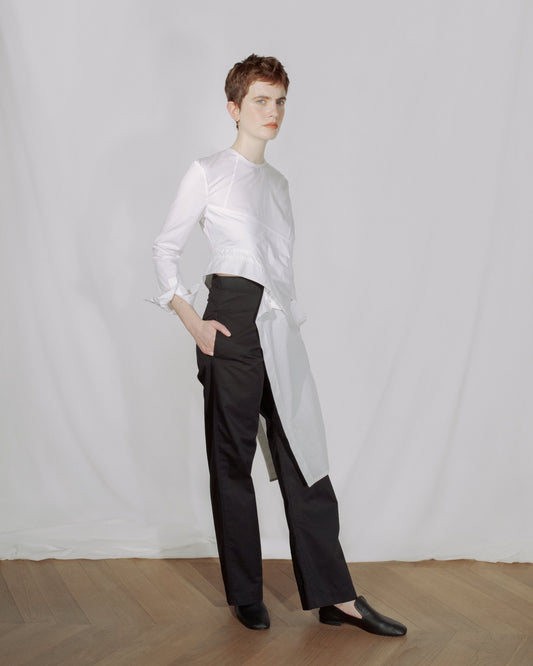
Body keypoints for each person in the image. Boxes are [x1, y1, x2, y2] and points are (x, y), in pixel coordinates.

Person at [149, 54, 407, 637]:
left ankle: (336, 596)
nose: (273, 112)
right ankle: (245, 594)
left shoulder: (279, 184)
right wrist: (194, 322)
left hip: (278, 325)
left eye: (280, 101)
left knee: (304, 455)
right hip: (231, 320)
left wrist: (287, 328)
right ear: (234, 108)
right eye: (261, 101)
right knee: (232, 462)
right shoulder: (208, 171)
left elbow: (279, 268)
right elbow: (165, 248)